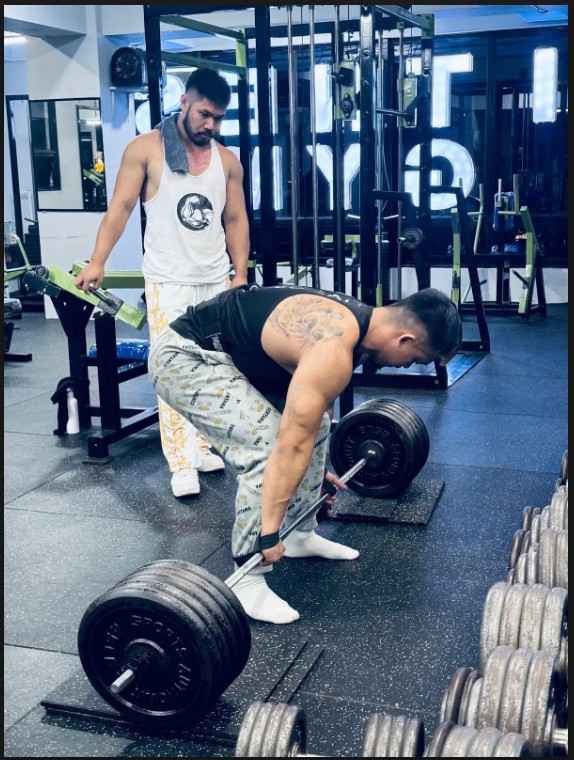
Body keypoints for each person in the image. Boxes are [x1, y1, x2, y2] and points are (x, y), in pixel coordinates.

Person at [148, 284, 462, 624]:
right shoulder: (334, 348)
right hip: (186, 357)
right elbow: (290, 447)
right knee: (267, 448)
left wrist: (310, 480)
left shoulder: (359, 330)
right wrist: (269, 532)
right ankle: (247, 575)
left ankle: (300, 535)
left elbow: (310, 422)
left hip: (237, 358)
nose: (406, 366)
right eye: (415, 360)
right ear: (404, 339)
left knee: (319, 425)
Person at [74, 68, 250, 498]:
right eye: (205, 114)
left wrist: (240, 273)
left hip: (214, 280)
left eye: (219, 118)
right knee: (173, 370)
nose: (211, 125)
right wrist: (98, 260)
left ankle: (202, 447)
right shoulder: (145, 150)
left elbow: (235, 219)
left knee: (216, 369)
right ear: (185, 102)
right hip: (168, 281)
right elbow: (120, 207)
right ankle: (181, 462)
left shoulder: (228, 161)